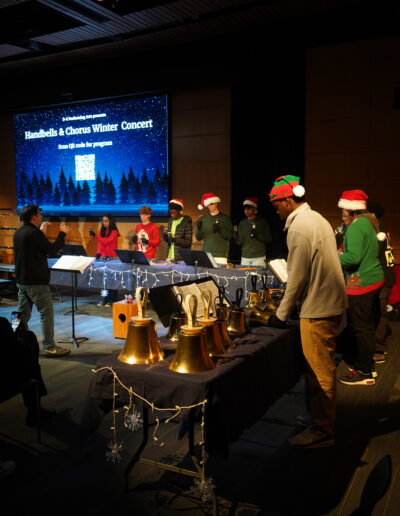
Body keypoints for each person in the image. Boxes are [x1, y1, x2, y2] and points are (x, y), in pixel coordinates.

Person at [268, 175, 347, 449]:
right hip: (328, 303)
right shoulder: (315, 218)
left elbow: (297, 277)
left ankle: (322, 430)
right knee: (319, 368)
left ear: (287, 201)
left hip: (319, 309)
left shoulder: (299, 227)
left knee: (319, 370)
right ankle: (318, 416)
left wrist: (280, 314)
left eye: (277, 205)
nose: (276, 211)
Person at [337, 190, 384, 386]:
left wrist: (333, 256)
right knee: (367, 326)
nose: (342, 213)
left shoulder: (356, 227)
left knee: (361, 329)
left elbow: (353, 258)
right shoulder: (368, 222)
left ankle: (364, 372)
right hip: (373, 279)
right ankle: (367, 366)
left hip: (361, 283)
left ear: (353, 210)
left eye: (344, 209)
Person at [13, 204, 71, 357]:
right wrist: (62, 234)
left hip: (21, 280)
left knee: (20, 313)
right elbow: (51, 250)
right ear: (33, 217)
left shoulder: (18, 232)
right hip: (36, 281)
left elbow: (34, 249)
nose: (41, 216)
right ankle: (49, 346)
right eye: (39, 214)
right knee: (46, 313)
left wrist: (41, 231)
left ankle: (15, 339)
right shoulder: (35, 233)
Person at [367, 200, 396, 363]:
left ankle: (379, 349)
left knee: (380, 312)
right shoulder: (381, 228)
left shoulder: (376, 229)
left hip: (383, 275)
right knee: (377, 311)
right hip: (384, 274)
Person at [89, 214, 120, 307]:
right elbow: (100, 245)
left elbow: (106, 242)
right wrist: (98, 253)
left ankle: (112, 300)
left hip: (111, 259)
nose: (104, 222)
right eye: (103, 221)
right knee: (104, 281)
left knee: (112, 280)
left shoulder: (114, 232)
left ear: (111, 221)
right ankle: (104, 299)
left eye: (106, 221)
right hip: (103, 258)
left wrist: (96, 236)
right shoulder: (101, 232)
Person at [195, 192, 233, 262]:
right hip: (206, 254)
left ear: (216, 203)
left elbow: (229, 236)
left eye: (211, 204)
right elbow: (198, 238)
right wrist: (199, 228)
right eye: (208, 204)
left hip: (220, 255)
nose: (210, 206)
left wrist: (220, 230)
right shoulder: (204, 219)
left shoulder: (225, 218)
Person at [234, 197, 271, 266]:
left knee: (258, 273)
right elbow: (240, 242)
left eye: (249, 208)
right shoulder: (242, 223)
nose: (246, 210)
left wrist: (257, 235)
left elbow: (268, 239)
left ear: (254, 209)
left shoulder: (262, 222)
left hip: (259, 257)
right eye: (245, 208)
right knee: (244, 273)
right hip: (245, 257)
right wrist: (235, 235)